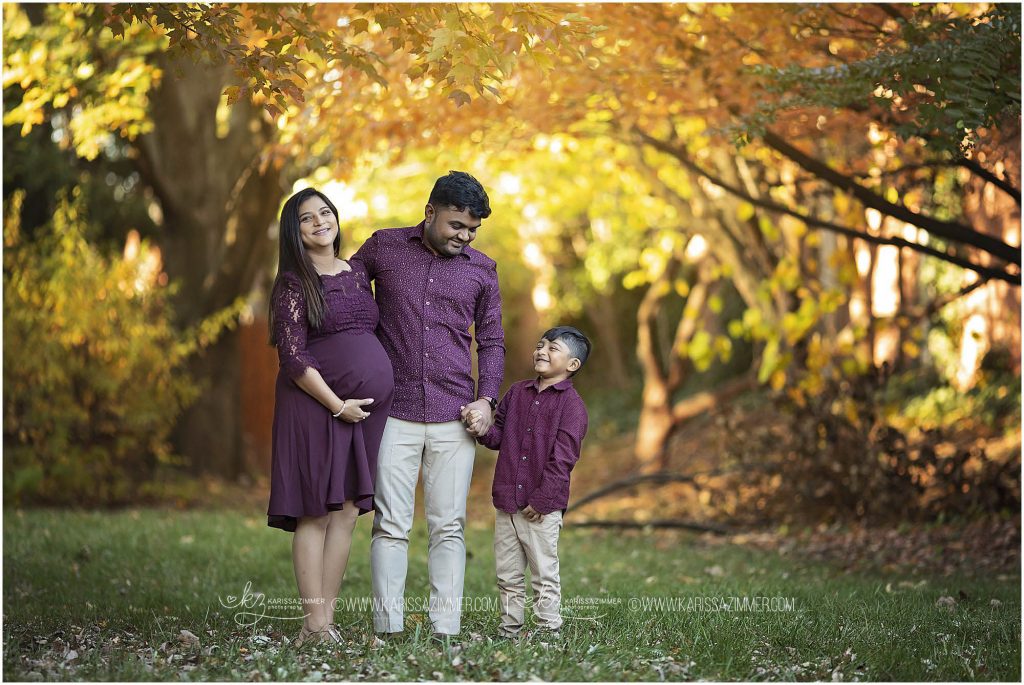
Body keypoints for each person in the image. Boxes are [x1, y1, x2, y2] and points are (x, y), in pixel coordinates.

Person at [350, 171, 504, 638]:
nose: (465, 235)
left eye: (472, 230)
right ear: (430, 211)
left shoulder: (483, 269)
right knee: (390, 523)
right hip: (391, 409)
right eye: (457, 224)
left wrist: (487, 400)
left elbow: (493, 341)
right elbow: (341, 293)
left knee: (449, 525)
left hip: (455, 414)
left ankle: (445, 626)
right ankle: (388, 624)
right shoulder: (383, 248)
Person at [266, 187, 395, 647]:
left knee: (345, 513)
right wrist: (338, 405)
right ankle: (315, 624)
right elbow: (294, 359)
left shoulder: (357, 272)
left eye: (325, 212)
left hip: (364, 414)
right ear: (294, 231)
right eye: (306, 218)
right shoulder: (293, 283)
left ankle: (322, 626)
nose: (319, 221)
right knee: (314, 513)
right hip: (316, 406)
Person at [467, 326, 590, 639]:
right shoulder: (517, 393)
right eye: (540, 344)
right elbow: (498, 438)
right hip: (507, 499)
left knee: (543, 572)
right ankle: (510, 628)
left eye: (553, 348)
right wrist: (480, 427)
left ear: (572, 365)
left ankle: (549, 628)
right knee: (508, 572)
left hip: (540, 508)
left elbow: (563, 459)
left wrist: (543, 499)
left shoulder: (572, 407)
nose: (542, 351)